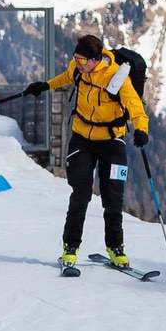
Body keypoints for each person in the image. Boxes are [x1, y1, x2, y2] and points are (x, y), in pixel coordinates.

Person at [23, 34, 148, 269]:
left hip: (112, 141)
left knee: (113, 198)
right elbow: (66, 77)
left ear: (95, 59)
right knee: (80, 194)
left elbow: (136, 107)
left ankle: (116, 248)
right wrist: (45, 85)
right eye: (75, 58)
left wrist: (142, 130)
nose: (77, 63)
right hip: (82, 139)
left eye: (81, 60)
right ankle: (70, 248)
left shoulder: (116, 77)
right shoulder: (78, 69)